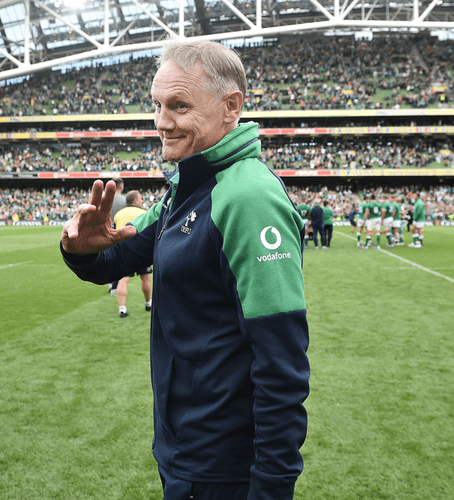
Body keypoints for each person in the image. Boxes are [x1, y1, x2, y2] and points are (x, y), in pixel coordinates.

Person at [61, 40, 309, 500]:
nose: (161, 122)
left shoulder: (248, 197)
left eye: (179, 106)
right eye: (157, 105)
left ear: (231, 107)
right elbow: (120, 260)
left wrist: (273, 487)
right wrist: (81, 249)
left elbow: (283, 364)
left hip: (222, 466)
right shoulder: (186, 188)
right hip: (183, 449)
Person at [112, 190, 153, 317]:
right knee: (145, 278)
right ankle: (148, 303)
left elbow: (114, 231)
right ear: (134, 200)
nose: (142, 201)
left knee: (123, 280)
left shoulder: (118, 214)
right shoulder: (144, 213)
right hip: (141, 251)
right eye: (140, 198)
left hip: (123, 250)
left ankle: (122, 309)